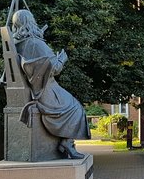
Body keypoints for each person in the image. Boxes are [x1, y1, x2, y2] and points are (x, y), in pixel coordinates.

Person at [11, 9, 90, 159]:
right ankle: (67, 143)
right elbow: (54, 69)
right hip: (45, 91)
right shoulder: (34, 43)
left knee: (74, 106)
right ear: (30, 22)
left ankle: (67, 143)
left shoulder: (18, 43)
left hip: (40, 88)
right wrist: (62, 58)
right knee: (77, 109)